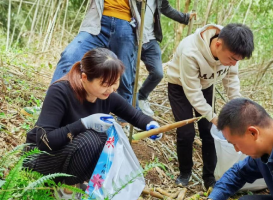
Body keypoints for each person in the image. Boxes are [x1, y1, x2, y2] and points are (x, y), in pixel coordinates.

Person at [24, 48, 161, 190]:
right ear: (85, 77)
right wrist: (83, 124)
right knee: (91, 139)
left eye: (116, 82)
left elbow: (135, 115)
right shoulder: (60, 92)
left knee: (106, 139)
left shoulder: (107, 96)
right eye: (105, 84)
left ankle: (79, 183)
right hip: (40, 159)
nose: (112, 89)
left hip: (70, 158)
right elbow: (45, 141)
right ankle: (68, 189)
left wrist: (150, 124)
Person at [47, 0, 194, 121]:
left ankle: (124, 120)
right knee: (69, 55)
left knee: (126, 74)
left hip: (125, 24)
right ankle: (50, 108)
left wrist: (185, 18)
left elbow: (166, 8)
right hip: (97, 21)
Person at [167, 23, 254, 189]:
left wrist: (238, 105)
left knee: (208, 132)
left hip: (207, 85)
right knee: (186, 132)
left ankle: (209, 177)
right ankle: (185, 172)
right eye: (232, 59)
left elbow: (231, 79)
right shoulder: (190, 51)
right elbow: (192, 92)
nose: (234, 64)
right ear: (218, 44)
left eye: (237, 61)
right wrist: (214, 117)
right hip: (180, 87)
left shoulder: (233, 48)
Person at [136, 0, 196, 116]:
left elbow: (167, 8)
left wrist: (185, 18)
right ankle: (128, 107)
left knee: (157, 73)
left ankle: (141, 97)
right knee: (129, 75)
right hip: (132, 37)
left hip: (150, 39)